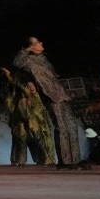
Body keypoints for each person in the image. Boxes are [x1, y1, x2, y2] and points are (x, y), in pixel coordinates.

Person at [13, 36, 86, 169]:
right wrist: (26, 50)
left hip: (61, 94)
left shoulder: (43, 58)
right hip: (50, 95)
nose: (41, 42)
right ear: (31, 46)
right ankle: (65, 162)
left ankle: (76, 159)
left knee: (71, 126)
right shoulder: (28, 60)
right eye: (37, 42)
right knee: (62, 127)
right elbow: (17, 63)